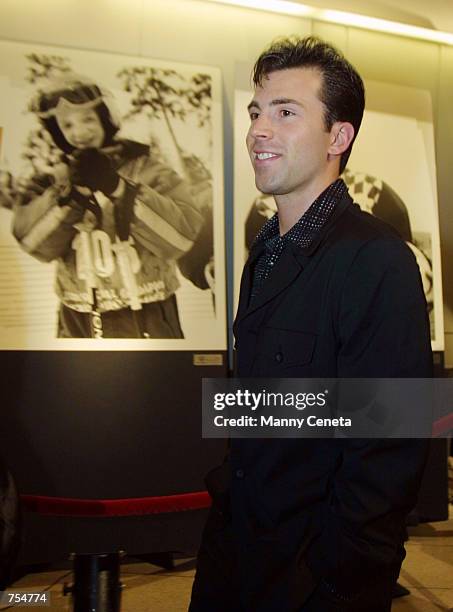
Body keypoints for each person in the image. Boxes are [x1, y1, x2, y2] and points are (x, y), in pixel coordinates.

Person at [189, 37, 432, 612]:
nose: (258, 130)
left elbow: (390, 448)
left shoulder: (377, 258)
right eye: (256, 112)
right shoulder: (264, 252)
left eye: (285, 112)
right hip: (237, 557)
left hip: (312, 579)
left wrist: (341, 586)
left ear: (338, 137)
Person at [13, 74, 203, 338]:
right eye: (67, 125)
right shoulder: (53, 181)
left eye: (88, 119)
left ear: (105, 118)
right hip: (79, 316)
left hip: (148, 311)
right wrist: (72, 198)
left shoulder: (149, 170)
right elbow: (34, 244)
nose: (79, 132)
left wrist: (119, 188)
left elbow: (180, 238)